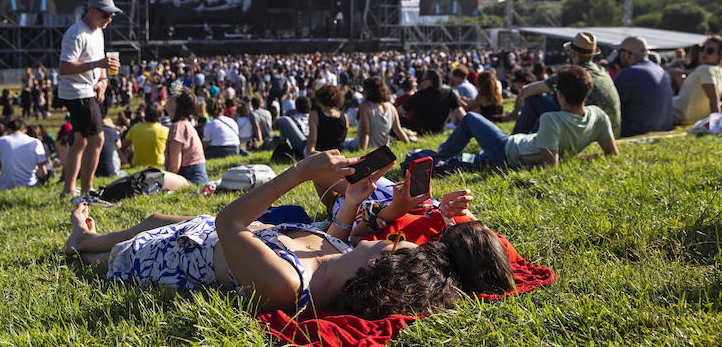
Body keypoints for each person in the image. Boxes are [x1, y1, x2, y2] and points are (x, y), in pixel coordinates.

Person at [63, 150, 514, 317]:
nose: (386, 237)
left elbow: (229, 223)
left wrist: (298, 174)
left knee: (116, 250)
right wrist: (357, 200)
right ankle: (86, 241)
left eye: (387, 245)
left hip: (165, 257)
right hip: (199, 238)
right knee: (155, 220)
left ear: (376, 265)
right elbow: (342, 235)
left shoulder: (286, 285)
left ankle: (83, 245)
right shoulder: (340, 263)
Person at [438, 65, 619, 169]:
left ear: (560, 94)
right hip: (517, 144)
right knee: (466, 161)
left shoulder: (551, 119)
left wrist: (522, 163)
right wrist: (573, 157)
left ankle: (438, 156)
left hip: (508, 152)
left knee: (470, 119)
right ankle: (442, 160)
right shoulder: (598, 115)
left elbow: (549, 165)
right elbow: (611, 153)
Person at [58, 0, 122, 197]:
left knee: (81, 141)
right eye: (105, 15)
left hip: (87, 91)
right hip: (78, 93)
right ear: (92, 11)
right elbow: (65, 67)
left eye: (112, 16)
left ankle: (69, 189)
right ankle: (87, 191)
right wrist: (97, 65)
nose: (109, 20)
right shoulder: (76, 33)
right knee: (97, 140)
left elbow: (101, 61)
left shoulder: (97, 31)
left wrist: (103, 81)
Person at [515, 32, 621, 137]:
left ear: (573, 54)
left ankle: (514, 142)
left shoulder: (574, 74)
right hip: (611, 133)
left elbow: (527, 91)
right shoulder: (601, 70)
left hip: (587, 131)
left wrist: (518, 109)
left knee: (535, 100)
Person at [612, 36, 673, 137]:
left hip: (637, 132)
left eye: (620, 52)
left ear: (628, 54)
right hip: (662, 129)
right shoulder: (659, 69)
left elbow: (612, 104)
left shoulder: (629, 73)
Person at [342, 77, 409, 151]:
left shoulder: (365, 106)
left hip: (364, 145)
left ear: (368, 91)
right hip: (384, 148)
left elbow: (365, 132)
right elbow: (398, 130)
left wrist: (362, 152)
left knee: (341, 143)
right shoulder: (391, 107)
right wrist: (408, 144)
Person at [672, 36, 722, 125]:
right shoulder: (716, 71)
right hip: (677, 112)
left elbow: (714, 100)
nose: (703, 53)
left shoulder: (705, 69)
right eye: (702, 48)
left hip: (674, 114)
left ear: (720, 54)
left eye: (709, 50)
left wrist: (716, 126)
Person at [164, 90, 208, 185]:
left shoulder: (178, 127)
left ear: (177, 105)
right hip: (196, 176)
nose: (168, 99)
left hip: (190, 178)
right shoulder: (184, 124)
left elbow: (174, 167)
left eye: (172, 98)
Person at [0, 118, 50, 190]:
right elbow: (43, 171)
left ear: (9, 130)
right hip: (30, 184)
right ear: (25, 130)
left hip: (6, 185)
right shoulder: (36, 142)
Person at [306, 85, 348, 156]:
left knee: (285, 120)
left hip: (317, 150)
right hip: (336, 151)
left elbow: (312, 142)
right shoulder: (345, 117)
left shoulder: (314, 115)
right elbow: (342, 140)